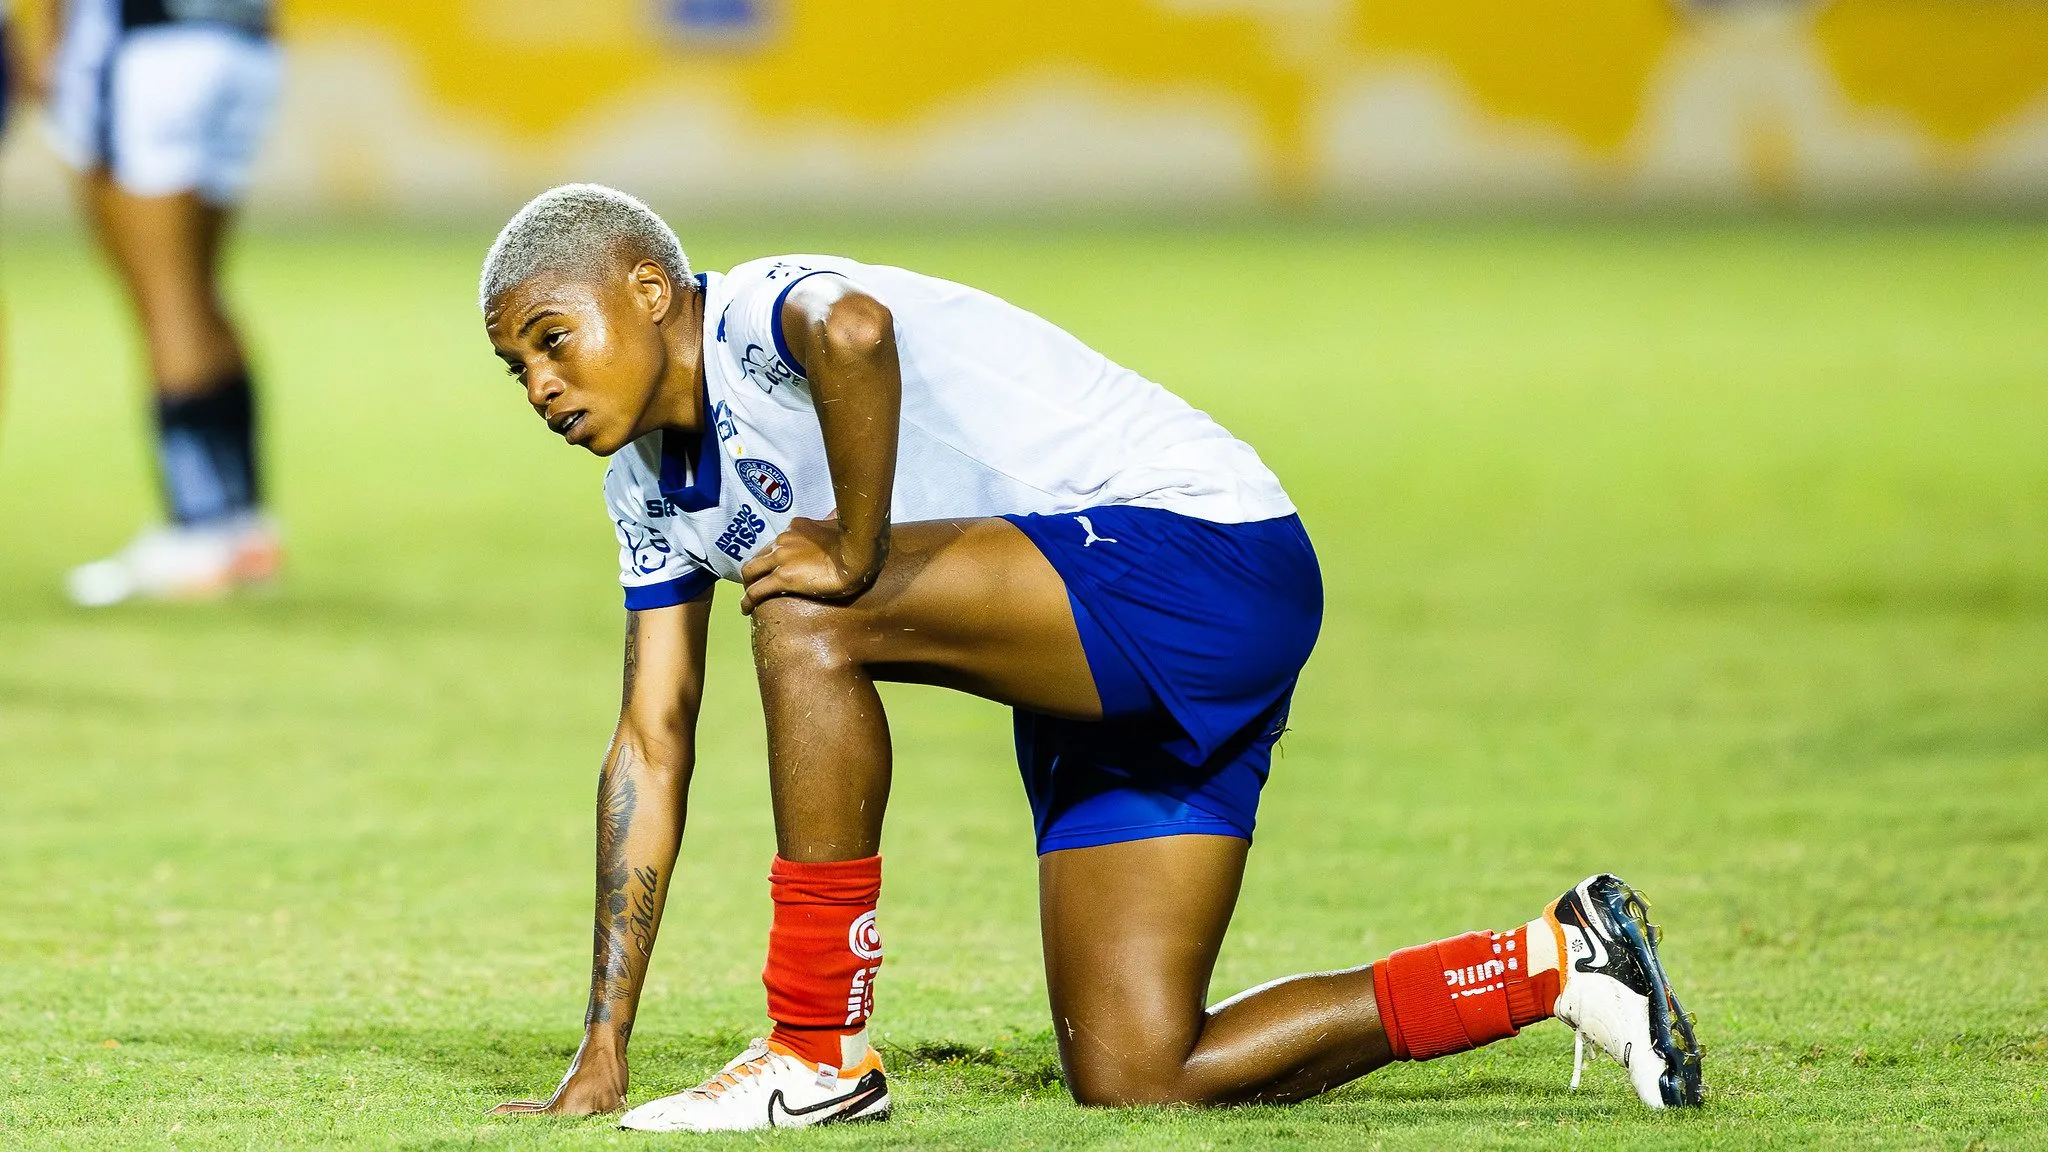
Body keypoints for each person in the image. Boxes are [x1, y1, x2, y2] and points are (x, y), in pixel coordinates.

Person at [478, 184, 1703, 1133]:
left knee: (804, 604)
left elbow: (854, 331)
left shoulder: (751, 311)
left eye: (551, 338)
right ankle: (1554, 959)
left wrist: (850, 551)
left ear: (648, 289)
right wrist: (604, 1039)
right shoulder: (648, 492)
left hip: (1199, 558)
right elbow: (652, 738)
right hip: (1091, 641)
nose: (539, 385)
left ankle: (815, 1050)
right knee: (1139, 1068)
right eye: (515, 367)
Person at [38, 0, 281, 606]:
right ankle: (242, 525)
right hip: (245, 41)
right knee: (199, 288)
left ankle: (197, 529)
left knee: (164, 298)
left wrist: (50, 41)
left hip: (146, 45)